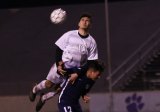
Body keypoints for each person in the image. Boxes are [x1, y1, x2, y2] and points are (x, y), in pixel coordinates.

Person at [29, 13, 98, 112]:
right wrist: (58, 64)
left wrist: (78, 73)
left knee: (61, 91)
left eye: (87, 20)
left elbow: (91, 62)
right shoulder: (69, 34)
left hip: (74, 72)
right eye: (82, 20)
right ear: (79, 23)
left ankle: (43, 98)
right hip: (63, 67)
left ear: (90, 25)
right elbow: (59, 48)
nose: (85, 22)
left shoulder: (92, 42)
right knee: (49, 84)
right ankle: (35, 89)